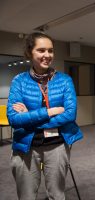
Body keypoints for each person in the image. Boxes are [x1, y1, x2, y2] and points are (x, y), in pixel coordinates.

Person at [7, 32, 83, 200]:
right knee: (26, 196)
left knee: (57, 194)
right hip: (25, 147)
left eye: (50, 50)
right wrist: (49, 112)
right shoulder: (19, 81)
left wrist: (29, 116)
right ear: (30, 52)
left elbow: (70, 114)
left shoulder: (64, 80)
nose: (47, 55)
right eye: (41, 50)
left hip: (57, 145)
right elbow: (13, 119)